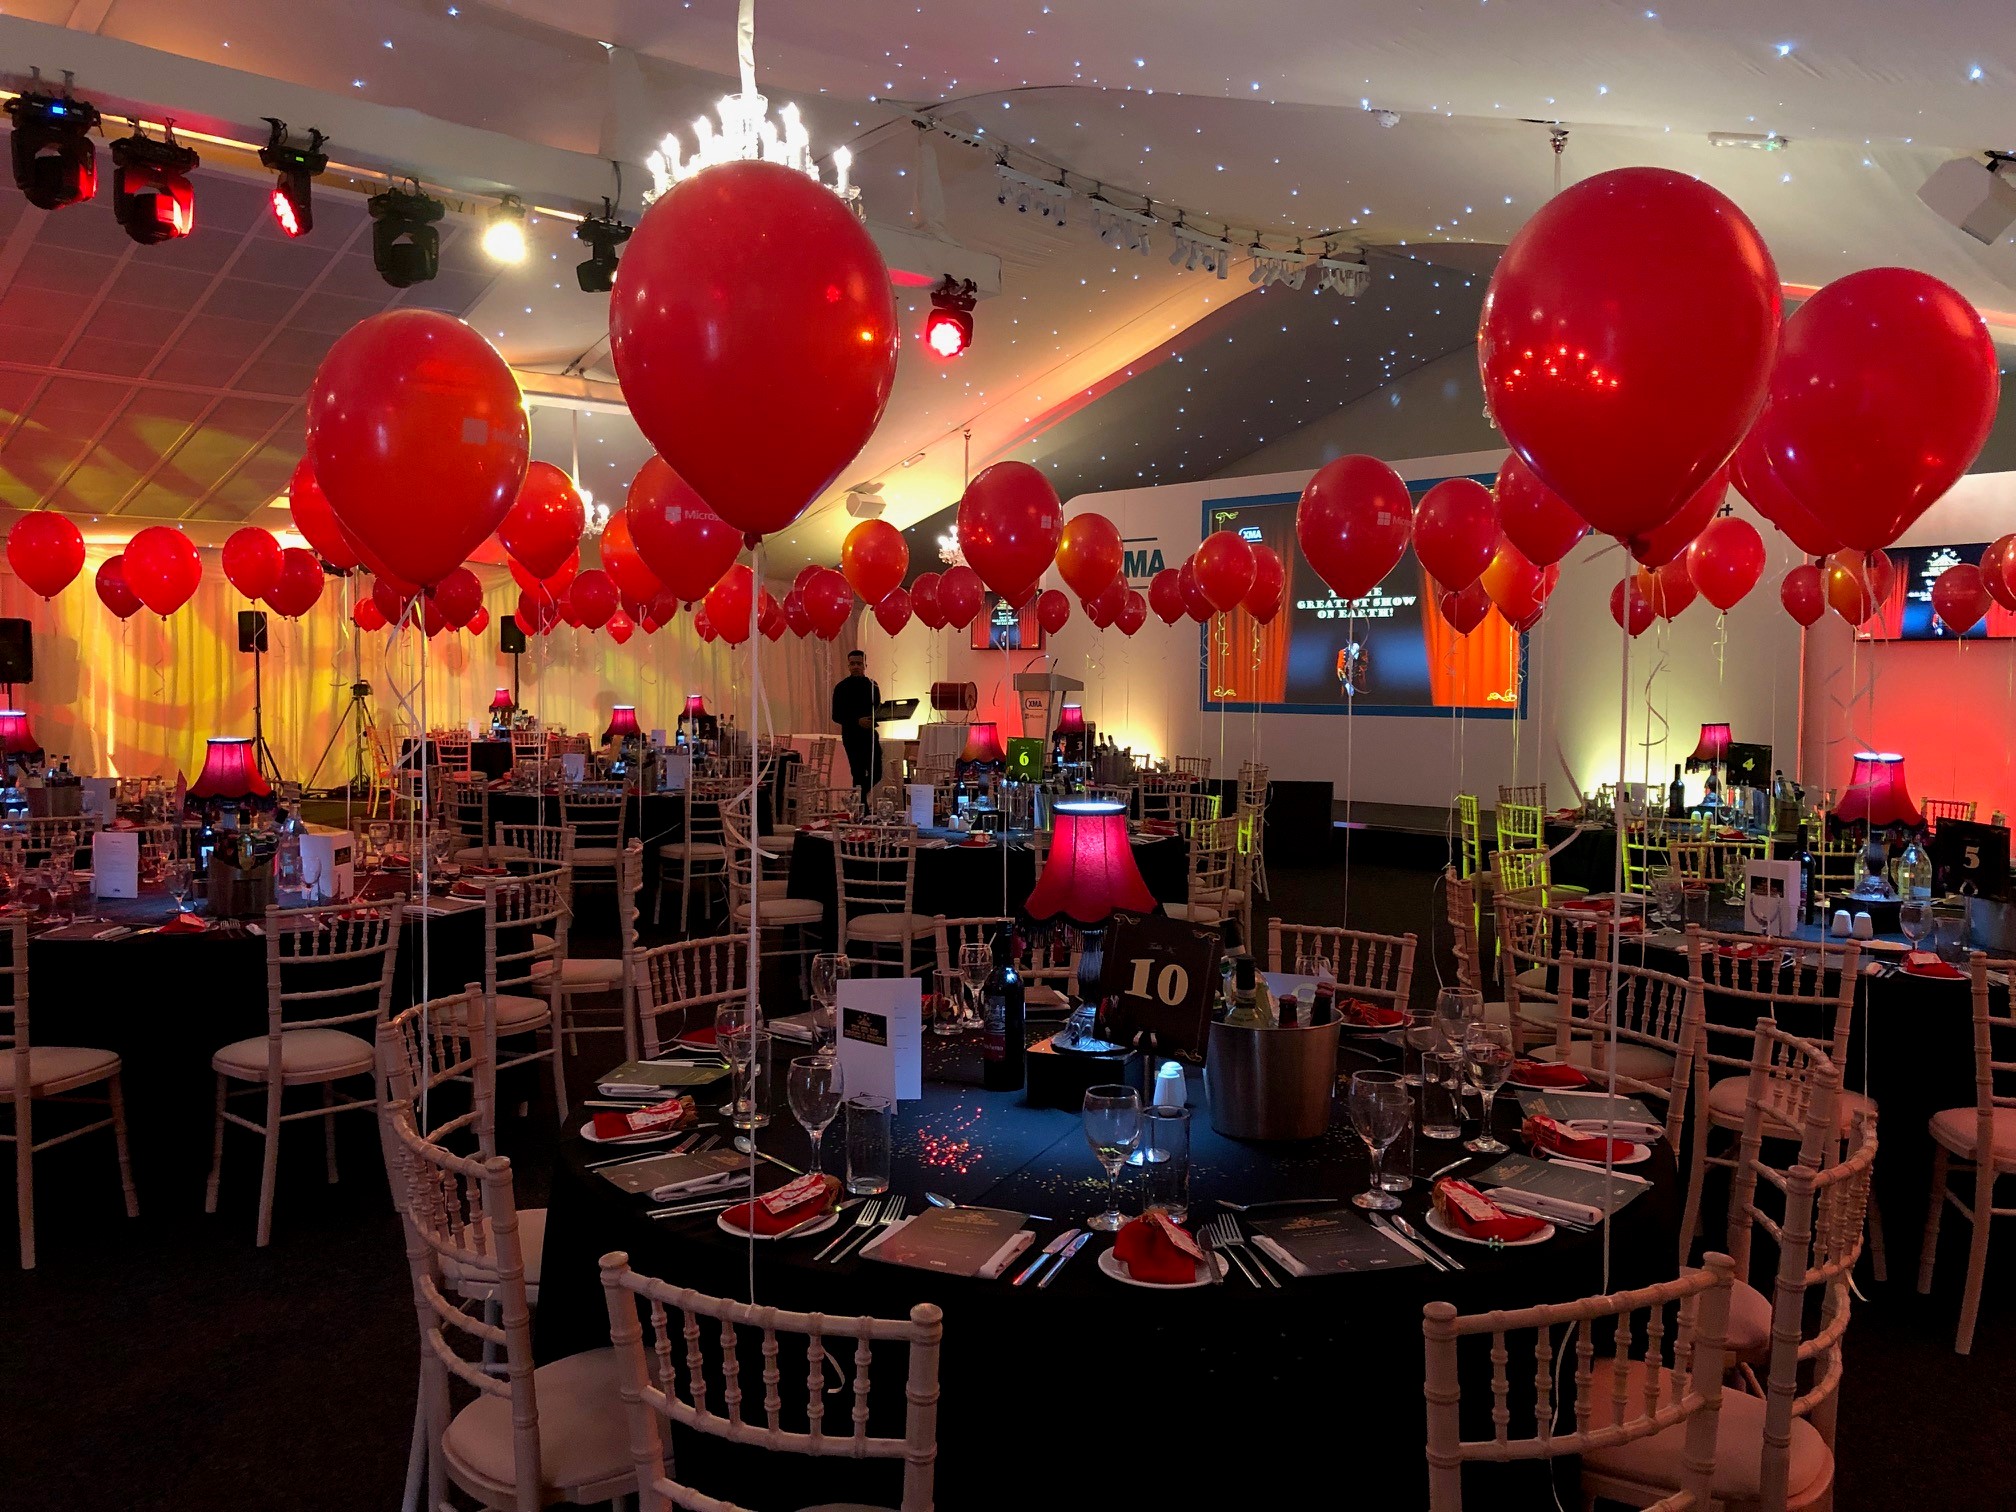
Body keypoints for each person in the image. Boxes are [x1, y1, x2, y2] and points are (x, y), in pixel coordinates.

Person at [831, 648, 882, 799]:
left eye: (859, 663)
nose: (855, 667)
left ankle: (855, 798)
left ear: (865, 665)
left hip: (870, 735)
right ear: (848, 666)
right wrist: (856, 721)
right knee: (858, 773)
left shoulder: (873, 685)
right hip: (851, 736)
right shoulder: (841, 688)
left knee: (877, 773)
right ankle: (861, 809)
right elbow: (836, 715)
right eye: (852, 664)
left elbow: (877, 709)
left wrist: (875, 719)